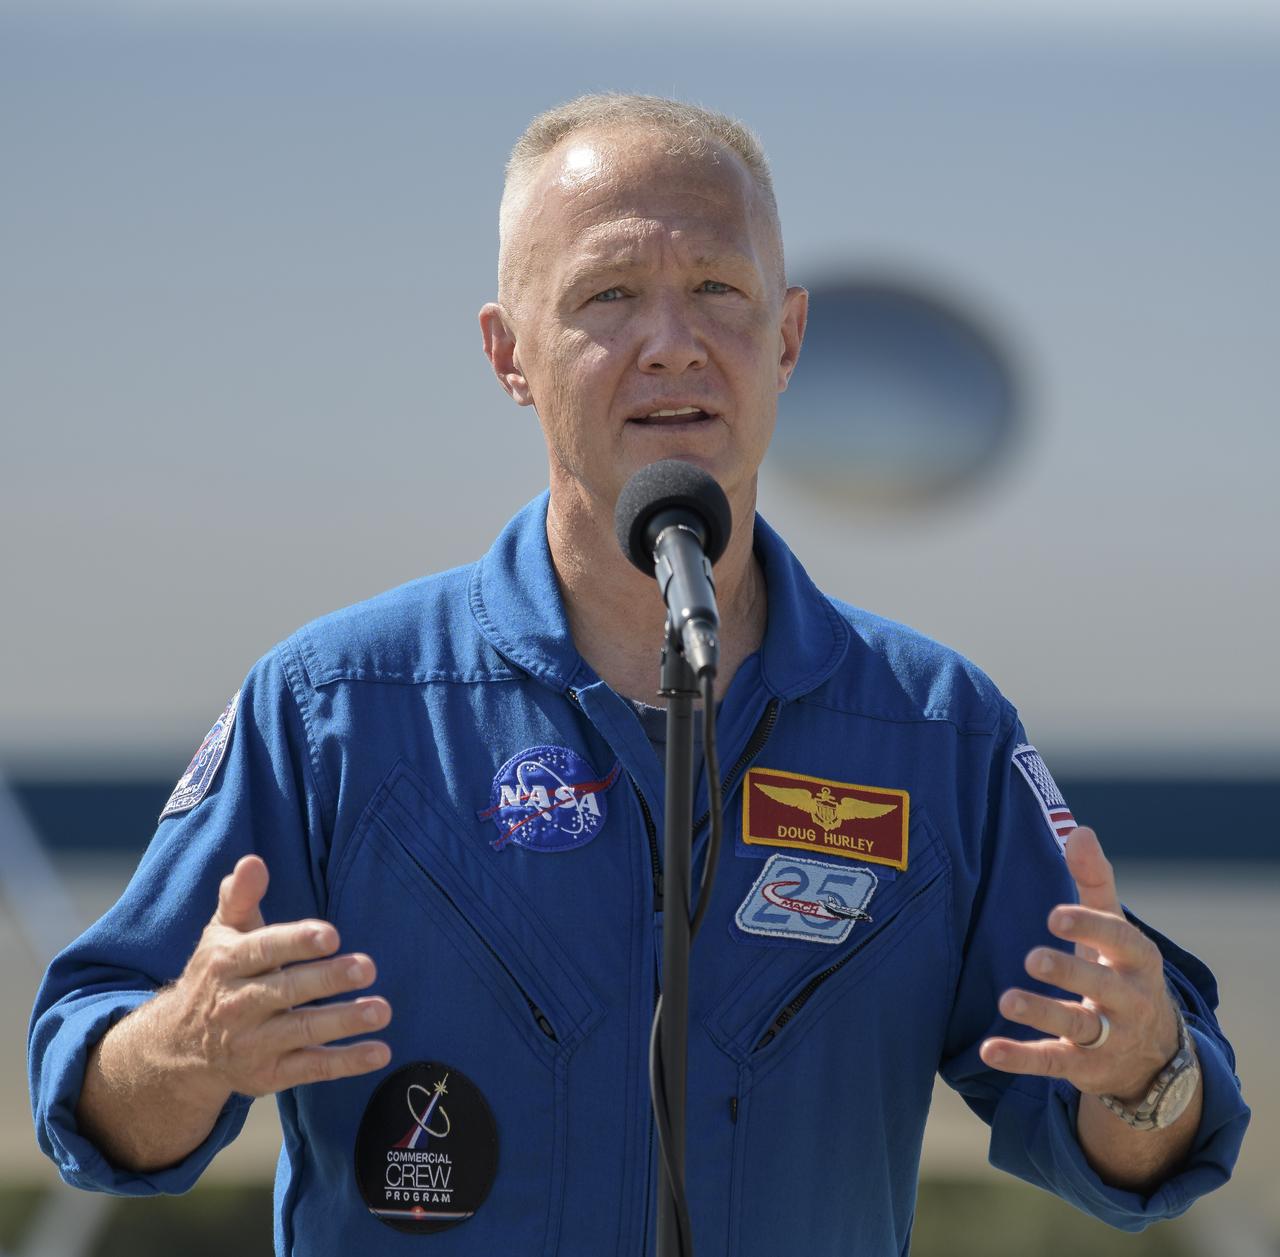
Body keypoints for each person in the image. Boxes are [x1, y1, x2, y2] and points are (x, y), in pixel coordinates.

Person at [29, 94, 1248, 1255]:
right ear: (510, 355)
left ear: (786, 338)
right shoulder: (337, 709)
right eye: (607, 295)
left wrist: (1145, 1070)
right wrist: (185, 1048)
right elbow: (92, 1099)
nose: (673, 344)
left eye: (718, 290)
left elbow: (1137, 1154)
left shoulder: (931, 730)